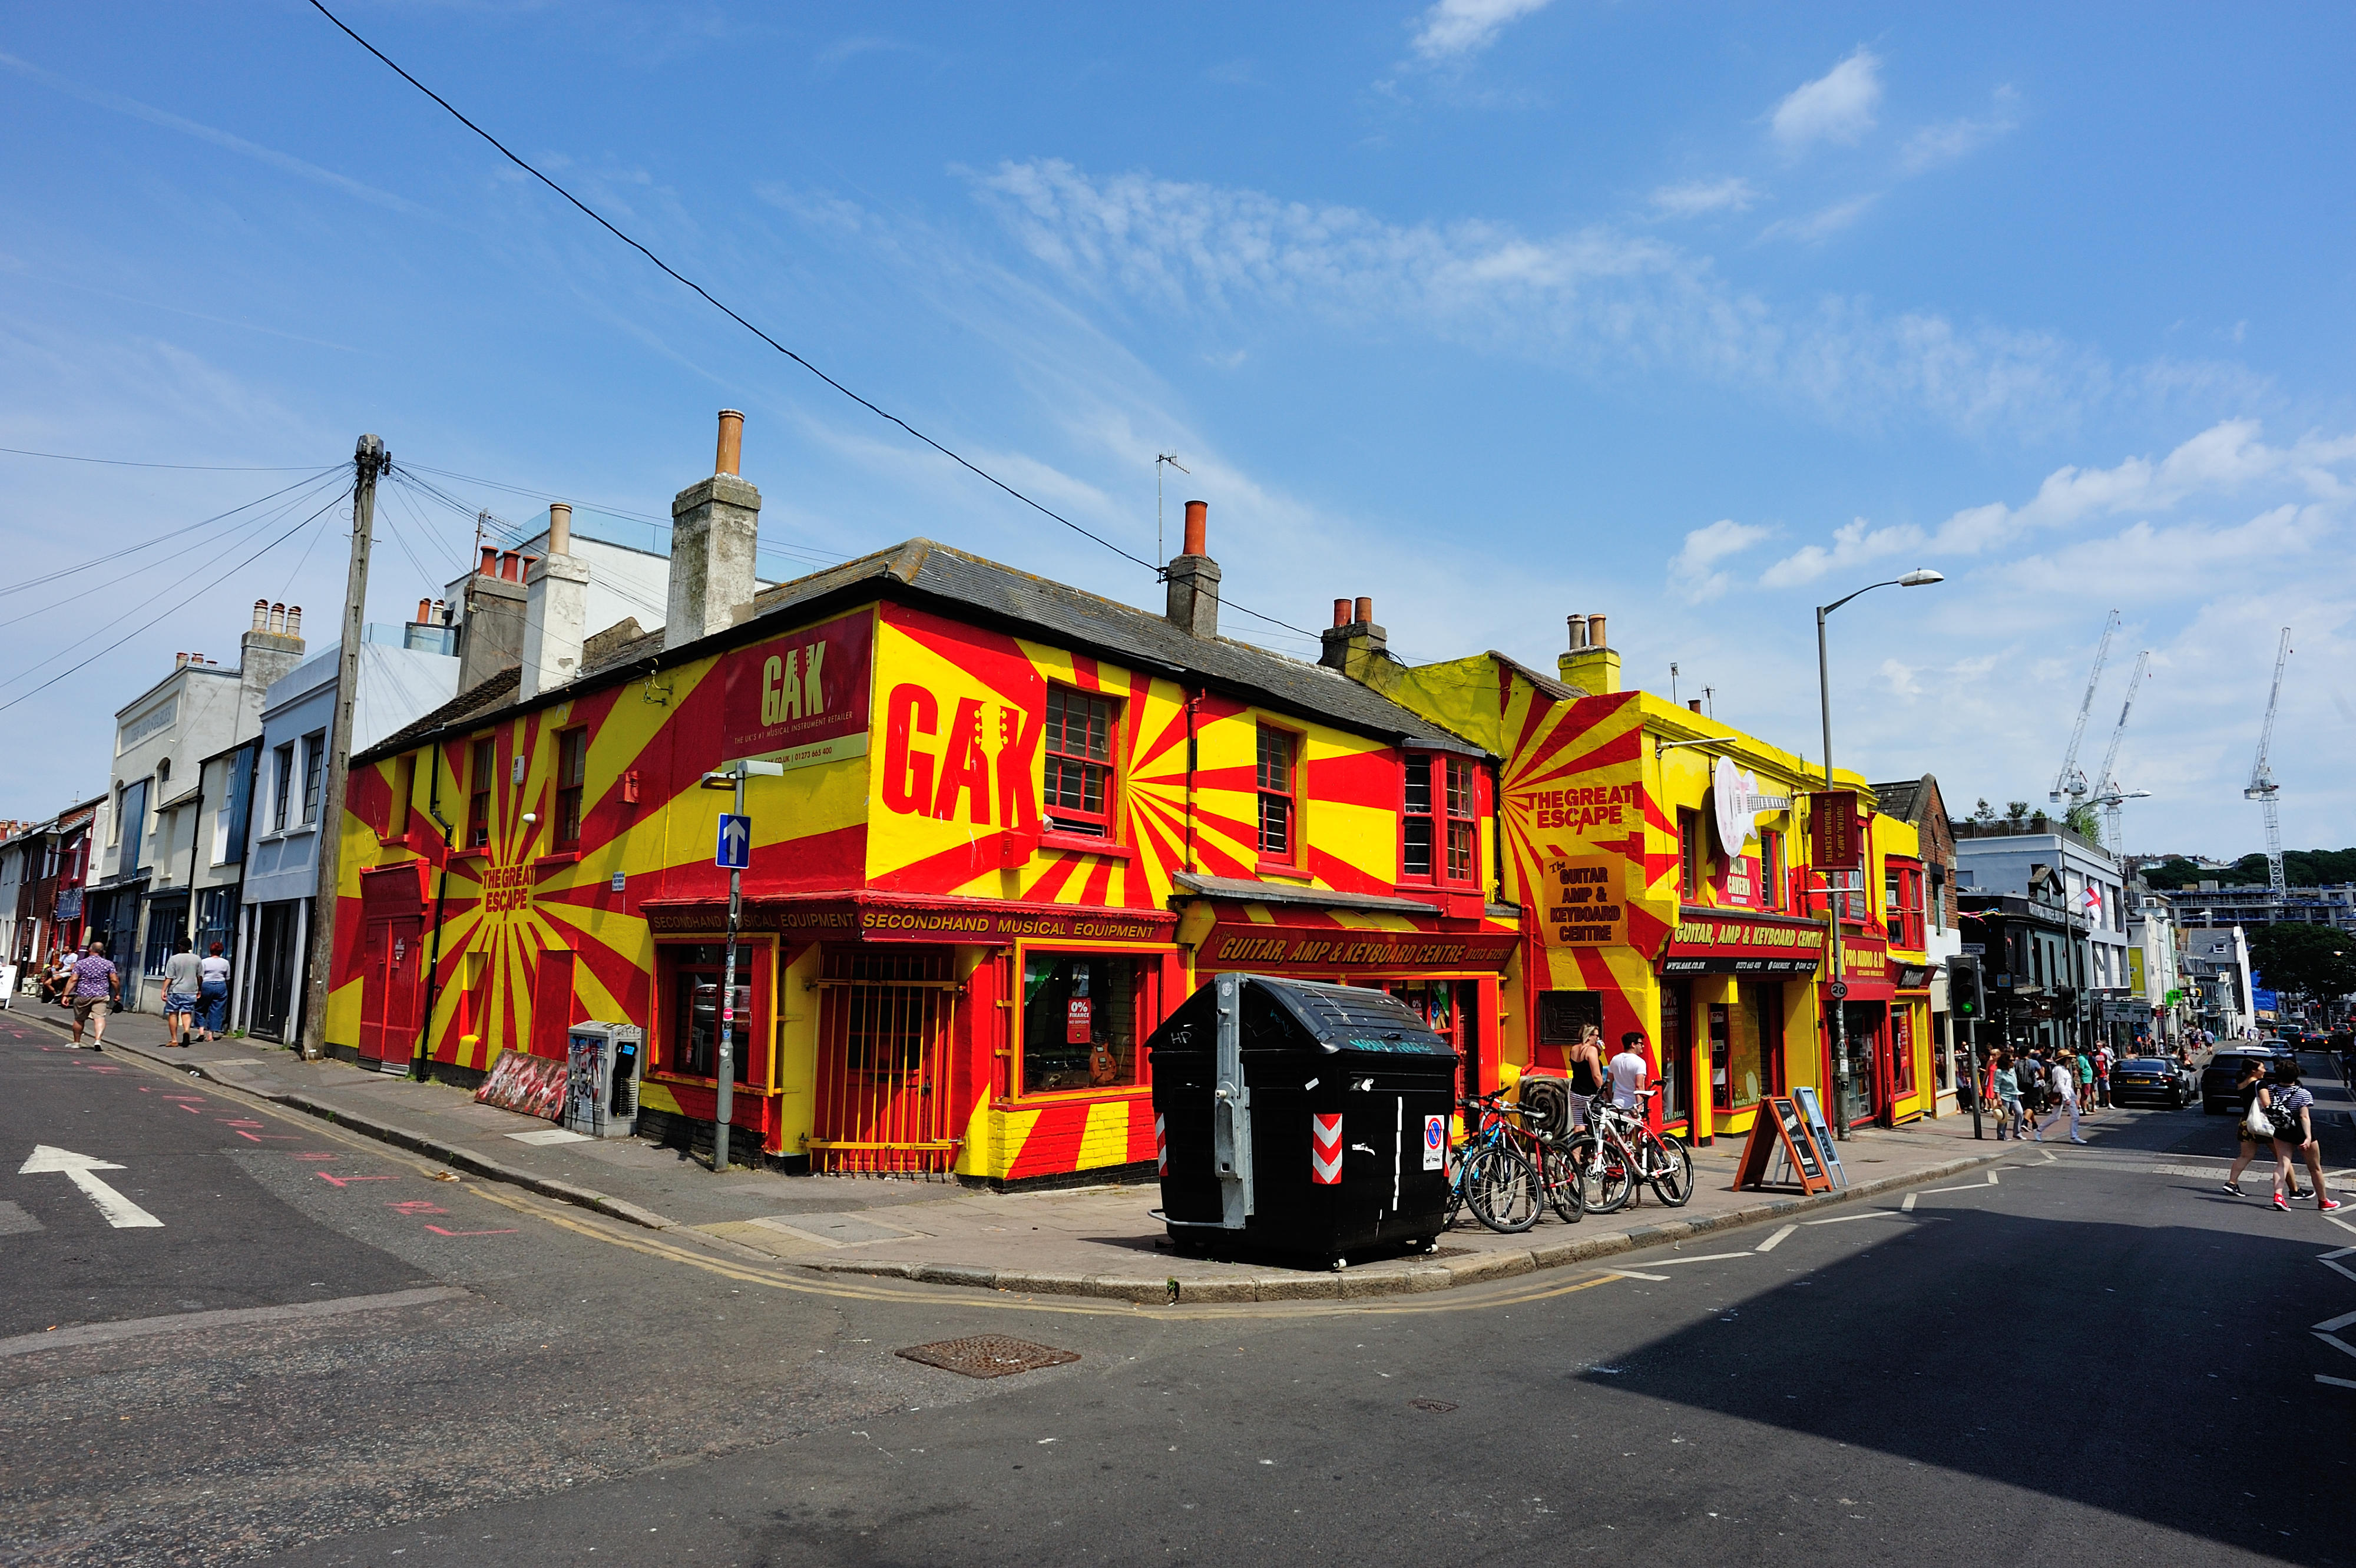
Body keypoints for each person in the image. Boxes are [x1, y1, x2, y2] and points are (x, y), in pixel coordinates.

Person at [2266, 1058, 2340, 1213]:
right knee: (2315, 1168)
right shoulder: (2303, 1093)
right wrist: (2307, 1137)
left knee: (2282, 1164)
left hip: (2281, 1130)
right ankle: (2323, 1201)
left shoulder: (2271, 1090)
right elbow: (2304, 1117)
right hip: (2300, 1131)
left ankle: (2278, 1196)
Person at [65, 940, 118, 1050]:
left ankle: (76, 1042)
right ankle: (98, 1040)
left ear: (90, 950)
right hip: (101, 995)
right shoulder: (109, 964)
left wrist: (66, 995)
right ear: (102, 951)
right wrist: (118, 994)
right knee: (100, 1018)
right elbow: (114, 980)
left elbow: (73, 979)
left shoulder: (81, 963)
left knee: (79, 1019)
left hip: (83, 994)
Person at [2034, 1048, 2086, 1143]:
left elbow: (2068, 1086)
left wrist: (2074, 1097)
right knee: (2074, 1116)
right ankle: (2073, 1137)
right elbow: (2061, 1084)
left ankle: (2039, 1131)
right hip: (2062, 1096)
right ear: (2064, 1059)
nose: (2070, 1061)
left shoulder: (2064, 1069)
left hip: (2066, 1096)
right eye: (2069, 1059)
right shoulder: (2058, 1069)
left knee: (2056, 1116)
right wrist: (2067, 1098)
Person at [160, 936, 201, 1048]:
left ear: (180, 946)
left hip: (175, 991)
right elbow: (200, 976)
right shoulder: (197, 959)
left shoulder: (174, 959)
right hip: (190, 991)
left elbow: (169, 977)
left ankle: (174, 1040)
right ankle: (187, 1031)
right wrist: (199, 989)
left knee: (173, 1014)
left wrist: (163, 990)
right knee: (186, 1013)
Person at [1564, 1023, 1606, 1131]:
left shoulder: (1574, 1049)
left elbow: (1582, 1069)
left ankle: (1576, 1147)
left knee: (1579, 1126)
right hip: (1589, 1095)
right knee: (1599, 1126)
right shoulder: (1591, 1050)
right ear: (1589, 1036)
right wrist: (1604, 1091)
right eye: (1596, 1036)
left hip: (1575, 1092)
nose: (1598, 1039)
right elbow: (1596, 1075)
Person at [194, 941, 231, 1043]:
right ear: (221, 951)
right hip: (221, 985)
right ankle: (211, 1035)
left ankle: (201, 1031)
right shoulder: (225, 962)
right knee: (217, 1010)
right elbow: (228, 978)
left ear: (211, 950)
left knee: (200, 1008)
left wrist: (199, 989)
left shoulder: (205, 961)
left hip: (207, 985)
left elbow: (200, 976)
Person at [1608, 1030, 1650, 1113]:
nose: (1643, 1046)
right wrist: (1640, 1107)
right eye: (1641, 1044)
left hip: (1616, 1104)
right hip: (1632, 1106)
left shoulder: (1615, 1059)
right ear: (1633, 1045)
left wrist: (1610, 1100)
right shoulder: (1640, 1062)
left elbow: (1609, 1082)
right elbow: (1639, 1087)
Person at [1992, 1048, 2024, 1141]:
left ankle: (2017, 1133)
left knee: (2020, 1112)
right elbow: (1996, 1086)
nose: (2013, 1062)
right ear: (2005, 1061)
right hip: (2004, 1096)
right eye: (2011, 1060)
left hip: (2014, 1095)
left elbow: (2015, 1082)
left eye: (2013, 1060)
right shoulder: (1999, 1072)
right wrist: (1998, 1098)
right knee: (2004, 1116)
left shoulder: (2012, 1069)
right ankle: (2001, 1135)